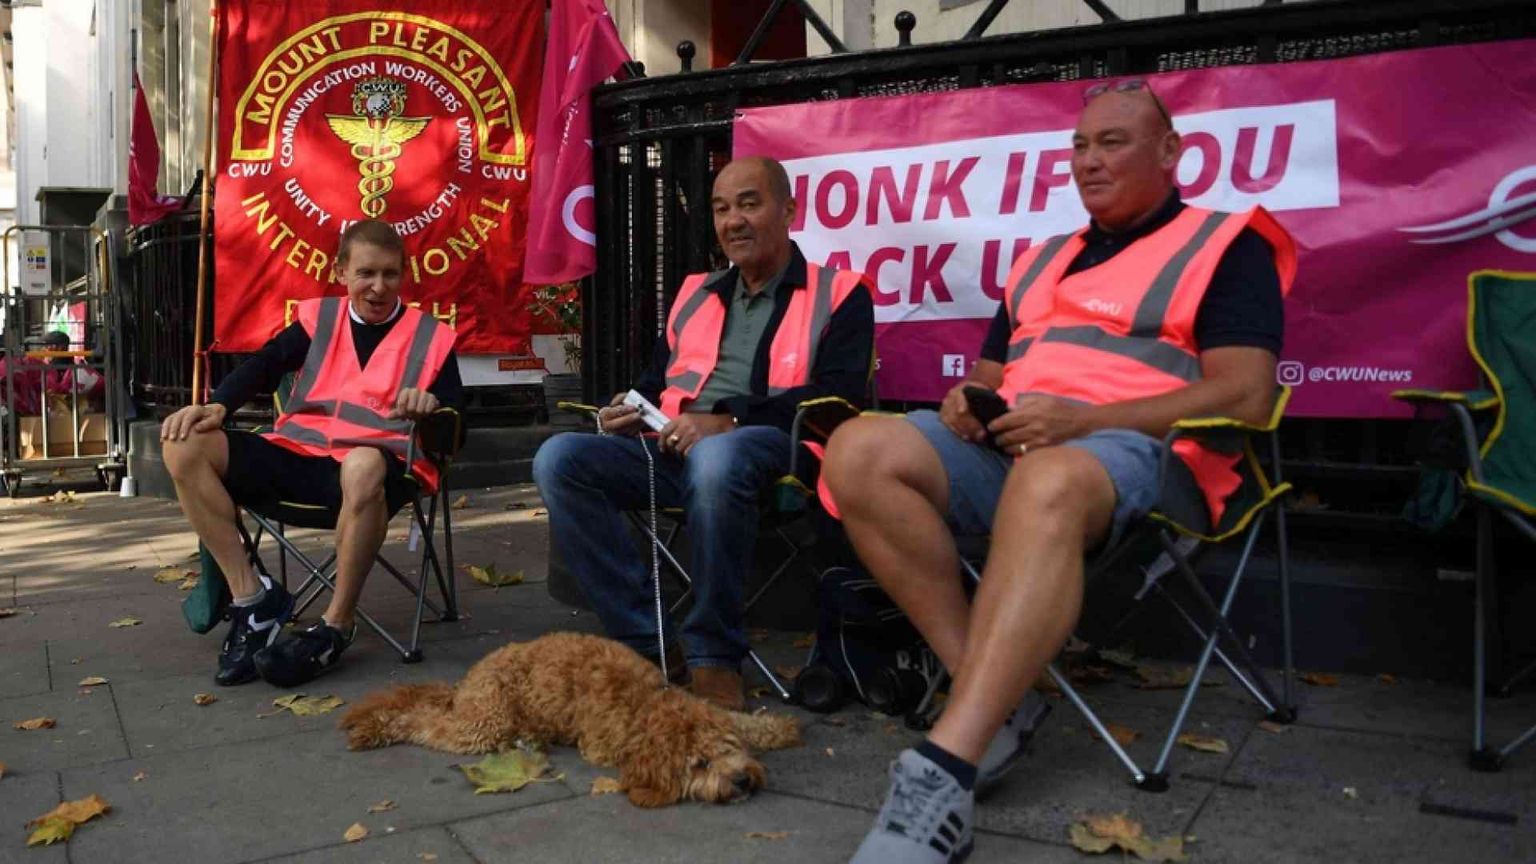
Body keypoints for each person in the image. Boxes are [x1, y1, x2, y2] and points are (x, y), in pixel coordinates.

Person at [826, 80, 1296, 863]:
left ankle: (947, 765)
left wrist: (1082, 423)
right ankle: (993, 701)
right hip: (1014, 451)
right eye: (1079, 146)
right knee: (857, 448)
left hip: (1147, 463)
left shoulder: (1224, 242)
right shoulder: (1043, 258)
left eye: (1112, 142)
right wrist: (964, 405)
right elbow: (988, 370)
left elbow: (1246, 396)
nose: (1089, 160)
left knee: (1051, 478)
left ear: (1171, 152)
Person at [533, 156, 875, 711]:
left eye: (748, 203)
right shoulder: (696, 293)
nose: (732, 220)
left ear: (788, 210)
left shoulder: (840, 292)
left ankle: (715, 654)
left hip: (776, 455)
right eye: (720, 208)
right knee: (559, 459)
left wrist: (730, 420)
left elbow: (841, 400)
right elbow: (654, 382)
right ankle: (650, 642)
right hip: (668, 449)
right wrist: (626, 409)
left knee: (719, 458)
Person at [160, 219, 462, 688]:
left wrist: (434, 409)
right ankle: (253, 601)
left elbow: (455, 428)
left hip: (380, 469)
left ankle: (335, 626)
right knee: (184, 443)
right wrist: (217, 405)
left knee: (363, 465)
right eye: (365, 273)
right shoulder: (318, 318)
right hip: (299, 452)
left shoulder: (433, 336)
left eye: (389, 274)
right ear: (341, 271)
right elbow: (265, 365)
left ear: (405, 274)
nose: (378, 287)